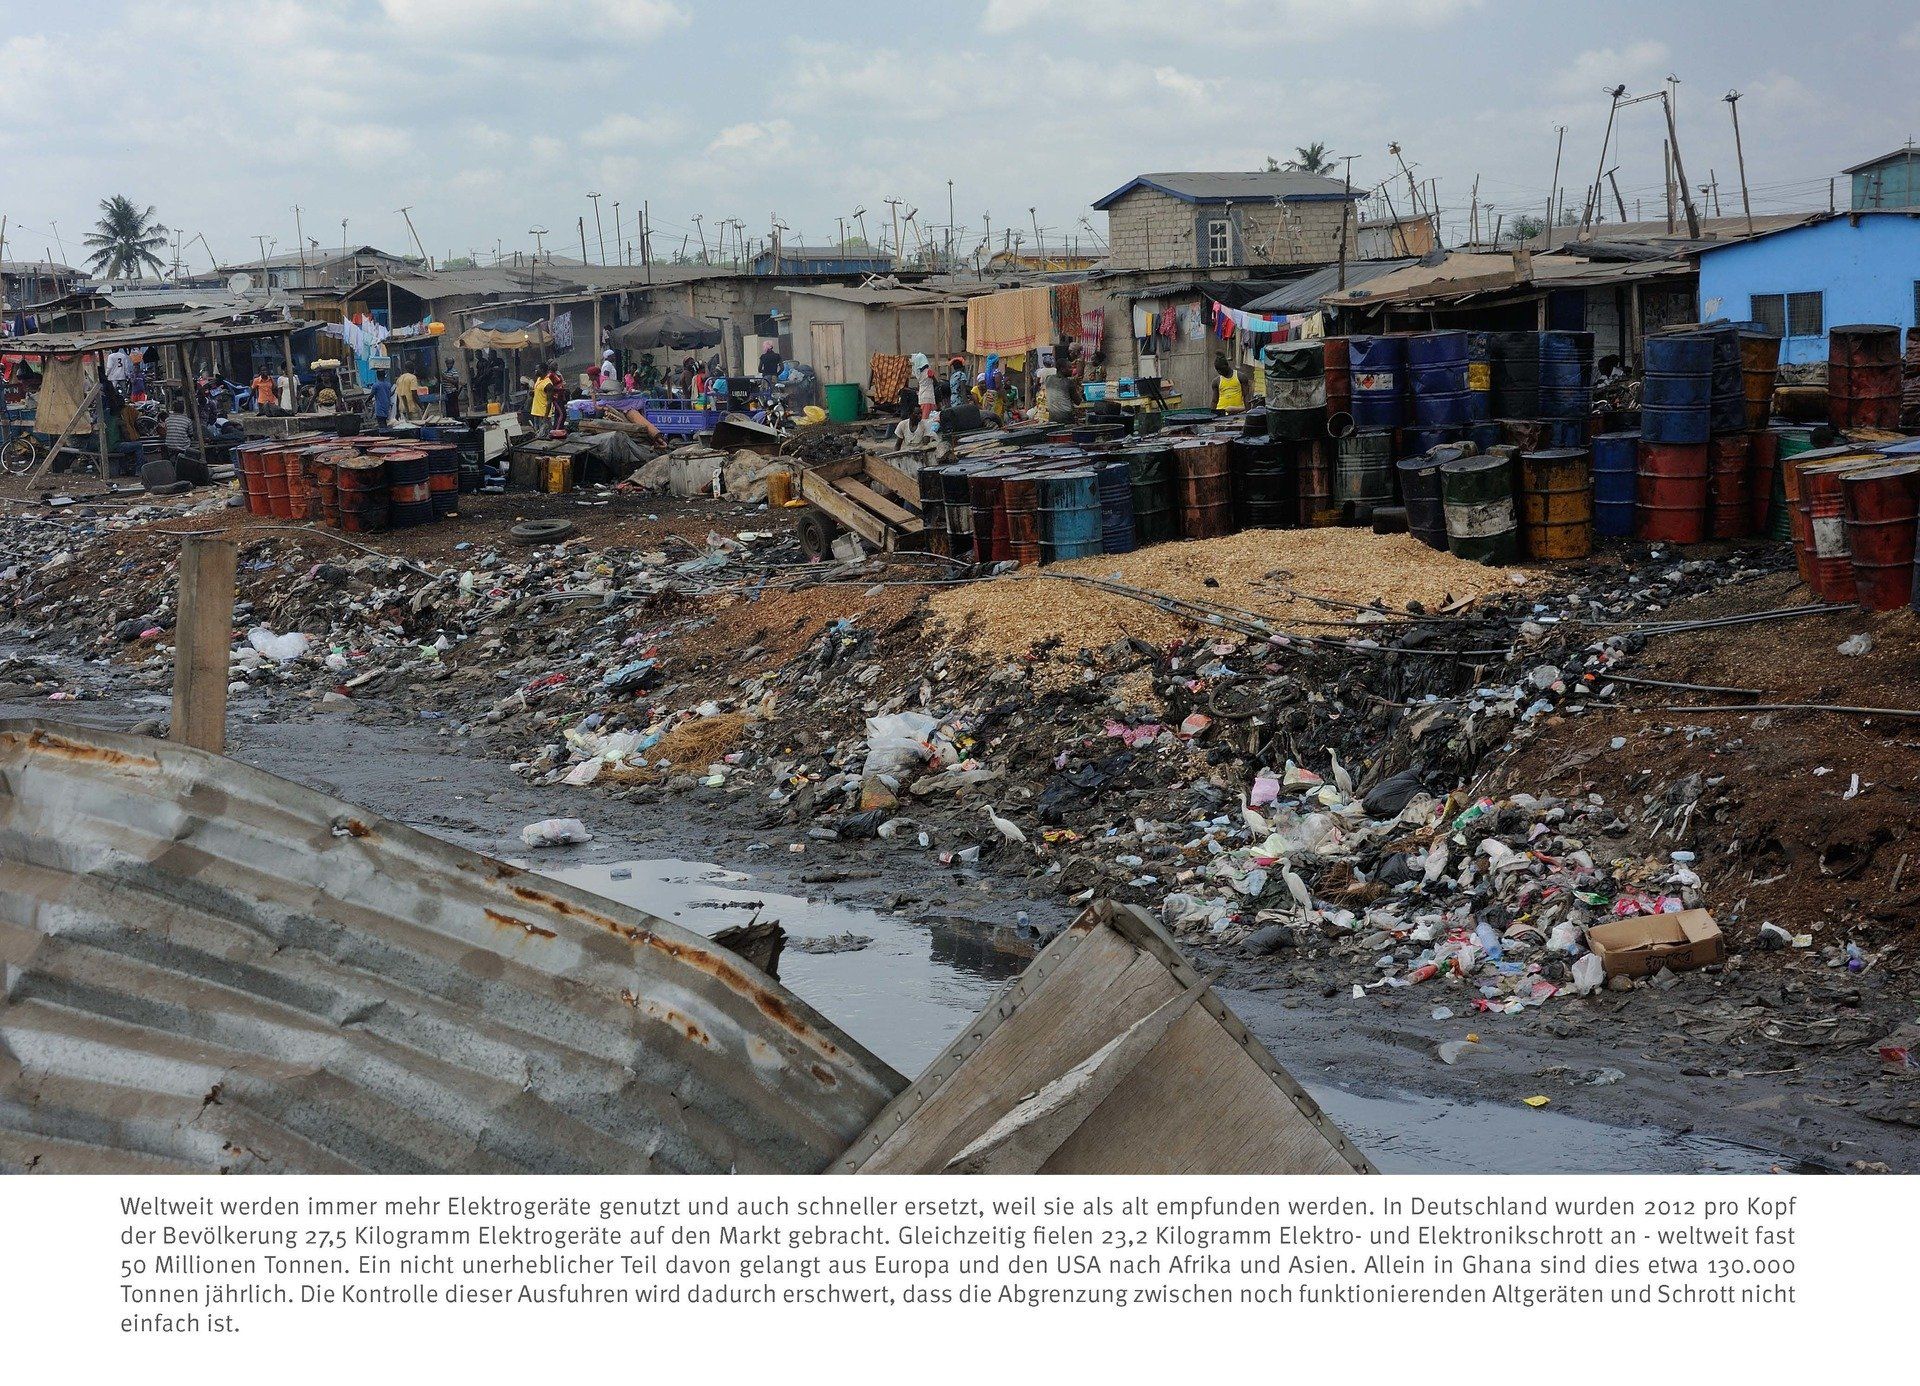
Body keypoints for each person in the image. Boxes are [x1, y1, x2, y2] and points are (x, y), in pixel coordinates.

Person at [528, 363, 553, 432]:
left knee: (544, 433)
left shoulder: (548, 384)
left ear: (542, 370)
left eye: (537, 369)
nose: (535, 371)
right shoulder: (539, 379)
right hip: (536, 412)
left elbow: (549, 401)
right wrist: (533, 392)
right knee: (537, 433)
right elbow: (540, 392)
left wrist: (545, 417)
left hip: (543, 414)